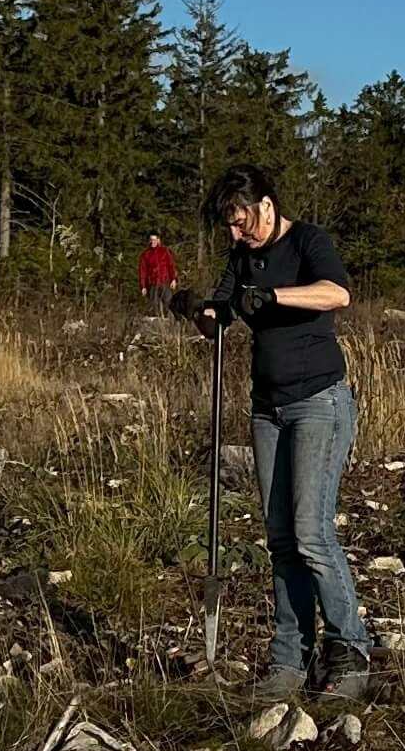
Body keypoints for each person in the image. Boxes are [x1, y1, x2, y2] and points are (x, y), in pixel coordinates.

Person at [190, 165, 370, 702]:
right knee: (282, 540)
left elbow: (336, 294)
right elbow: (220, 315)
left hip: (320, 403)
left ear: (266, 207)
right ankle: (290, 659)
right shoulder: (241, 258)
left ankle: (351, 649)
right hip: (267, 410)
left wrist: (274, 297)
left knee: (312, 532)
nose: (236, 234)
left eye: (242, 223)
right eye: (229, 226)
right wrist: (199, 311)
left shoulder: (309, 241)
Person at [138, 233, 178, 313]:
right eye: (151, 240)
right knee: (154, 305)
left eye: (154, 240)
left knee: (168, 303)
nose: (152, 242)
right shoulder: (146, 254)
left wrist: (173, 279)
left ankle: (168, 322)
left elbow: (171, 265)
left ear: (158, 240)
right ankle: (156, 322)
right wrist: (143, 286)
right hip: (153, 283)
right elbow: (143, 271)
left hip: (165, 282)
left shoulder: (164, 251)